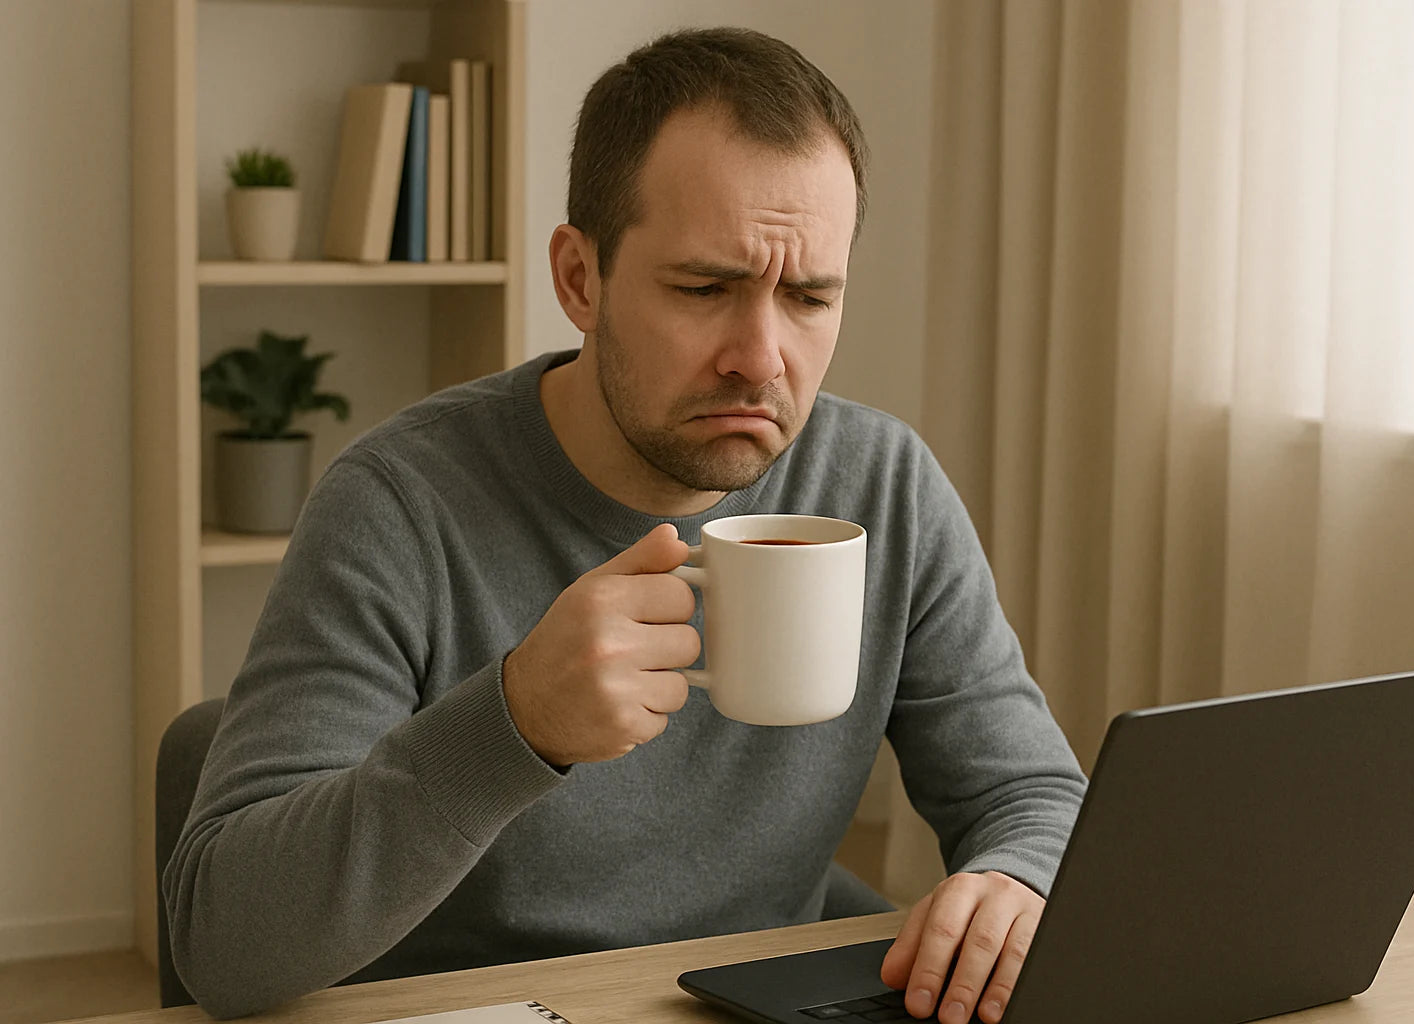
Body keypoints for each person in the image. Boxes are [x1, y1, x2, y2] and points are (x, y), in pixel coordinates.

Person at [165, 27, 1087, 1024]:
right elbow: (222, 938)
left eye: (809, 297)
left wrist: (1018, 881)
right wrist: (513, 724)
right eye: (705, 289)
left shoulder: (884, 484)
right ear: (580, 279)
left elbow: (1034, 797)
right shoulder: (398, 505)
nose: (761, 357)